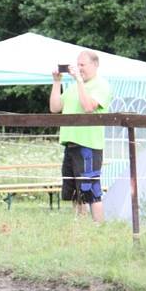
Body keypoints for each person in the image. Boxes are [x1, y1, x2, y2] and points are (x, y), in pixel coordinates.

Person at [49, 50, 112, 222]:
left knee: (91, 190)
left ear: (95, 65)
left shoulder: (101, 85)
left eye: (82, 65)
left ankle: (98, 227)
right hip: (70, 145)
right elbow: (55, 107)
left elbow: (88, 107)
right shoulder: (73, 87)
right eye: (77, 65)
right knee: (75, 191)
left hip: (88, 145)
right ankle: (81, 226)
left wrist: (78, 81)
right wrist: (56, 82)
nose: (79, 68)